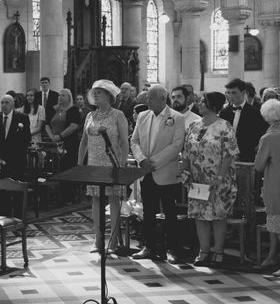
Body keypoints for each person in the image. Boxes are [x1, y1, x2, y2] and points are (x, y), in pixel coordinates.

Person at [181, 92, 239, 267]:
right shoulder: (193, 125)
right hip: (197, 179)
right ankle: (203, 251)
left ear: (213, 105)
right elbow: (185, 150)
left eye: (203, 101)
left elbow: (229, 155)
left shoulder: (224, 127)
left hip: (218, 179)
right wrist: (186, 171)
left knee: (217, 216)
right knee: (200, 215)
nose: (199, 103)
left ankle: (218, 251)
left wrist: (219, 177)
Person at [131, 85, 185, 262]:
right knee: (148, 212)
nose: (147, 101)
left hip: (166, 172)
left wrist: (153, 163)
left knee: (170, 212)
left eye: (150, 98)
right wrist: (142, 160)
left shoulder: (176, 117)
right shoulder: (142, 116)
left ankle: (172, 249)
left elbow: (176, 145)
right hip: (146, 172)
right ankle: (149, 247)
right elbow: (134, 140)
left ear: (163, 99)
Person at [78, 80, 128, 254]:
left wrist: (121, 164)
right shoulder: (90, 116)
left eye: (99, 92)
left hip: (112, 162)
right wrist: (80, 165)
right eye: (94, 92)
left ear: (108, 95)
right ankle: (98, 240)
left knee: (113, 201)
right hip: (93, 164)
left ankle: (113, 242)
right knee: (96, 201)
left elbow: (124, 141)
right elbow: (83, 142)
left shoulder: (118, 115)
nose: (95, 95)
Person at [254, 99, 280, 273]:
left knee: (276, 222)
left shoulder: (269, 137)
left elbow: (258, 166)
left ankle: (273, 258)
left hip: (276, 185)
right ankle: (272, 256)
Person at [0, 94, 31, 181]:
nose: (4, 105)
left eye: (7, 103)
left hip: (16, 158)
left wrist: (15, 153)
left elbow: (27, 139)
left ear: (13, 104)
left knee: (15, 187)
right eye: (2, 103)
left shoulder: (22, 117)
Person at [220, 78, 268, 162]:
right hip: (227, 157)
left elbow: (262, 134)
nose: (230, 96)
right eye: (228, 92)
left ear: (243, 92)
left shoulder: (255, 112)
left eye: (234, 92)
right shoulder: (224, 113)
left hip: (248, 156)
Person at [46, 88, 80, 173]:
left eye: (63, 95)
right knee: (53, 168)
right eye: (59, 95)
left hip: (69, 144)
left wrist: (60, 136)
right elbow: (46, 125)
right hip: (54, 143)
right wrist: (52, 137)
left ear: (69, 98)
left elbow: (74, 126)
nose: (60, 97)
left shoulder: (73, 109)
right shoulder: (53, 109)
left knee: (67, 168)